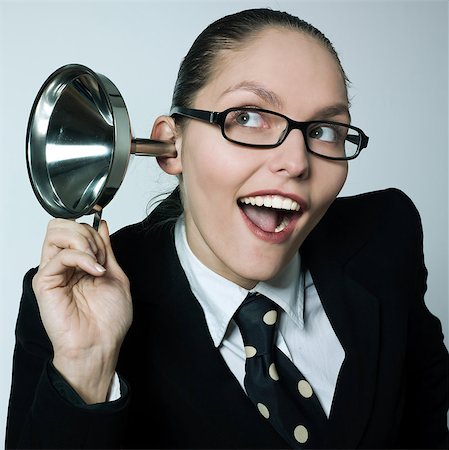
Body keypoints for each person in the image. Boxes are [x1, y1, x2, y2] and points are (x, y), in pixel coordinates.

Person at [5, 7, 449, 449]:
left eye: (325, 130)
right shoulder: (70, 304)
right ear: (171, 145)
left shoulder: (387, 236)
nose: (296, 162)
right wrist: (88, 367)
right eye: (249, 118)